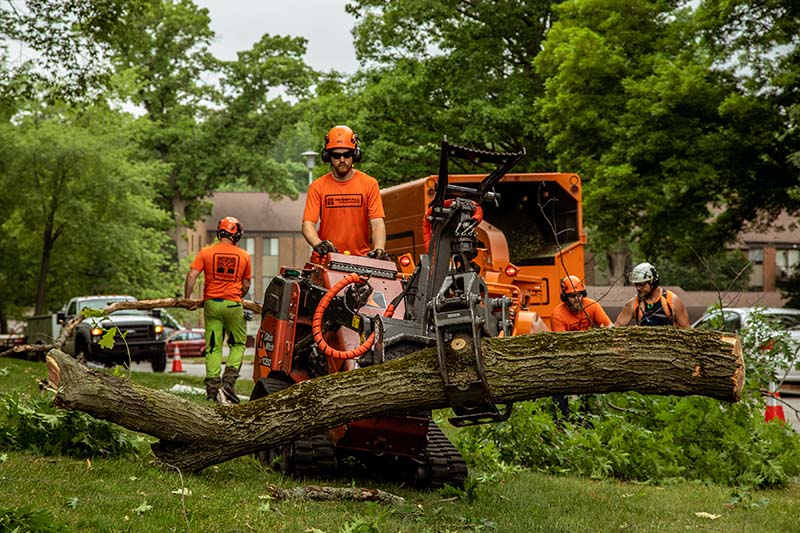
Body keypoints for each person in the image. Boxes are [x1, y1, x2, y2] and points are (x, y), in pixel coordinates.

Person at [184, 216, 252, 403]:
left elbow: (192, 276)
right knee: (237, 344)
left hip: (211, 304)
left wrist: (187, 299)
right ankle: (229, 382)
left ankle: (212, 390)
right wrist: (239, 294)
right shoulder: (244, 256)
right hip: (233, 304)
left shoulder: (206, 252)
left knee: (213, 347)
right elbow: (246, 284)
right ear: (236, 234)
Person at [302, 125, 388, 260]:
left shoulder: (370, 184)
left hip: (361, 259)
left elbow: (377, 223)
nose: (342, 160)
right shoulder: (317, 187)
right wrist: (318, 244)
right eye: (336, 155)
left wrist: (379, 249)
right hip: (326, 260)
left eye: (347, 154)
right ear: (328, 156)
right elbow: (308, 224)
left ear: (355, 155)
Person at [550, 275, 612, 421]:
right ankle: (562, 421)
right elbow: (563, 346)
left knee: (591, 395)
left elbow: (609, 328)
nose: (577, 299)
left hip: (590, 356)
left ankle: (591, 420)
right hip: (567, 358)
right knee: (559, 386)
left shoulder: (592, 306)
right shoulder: (557, 315)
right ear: (565, 297)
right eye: (572, 296)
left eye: (579, 295)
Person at [614, 262, 690, 328]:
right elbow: (617, 328)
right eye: (636, 285)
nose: (638, 288)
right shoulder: (633, 304)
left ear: (652, 282)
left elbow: (686, 330)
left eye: (642, 284)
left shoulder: (672, 301)